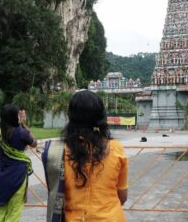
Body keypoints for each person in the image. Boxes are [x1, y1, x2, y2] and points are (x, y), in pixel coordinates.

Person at [42, 90, 128, 222]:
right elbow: (122, 196)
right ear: (101, 117)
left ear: (71, 116)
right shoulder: (116, 148)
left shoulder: (58, 152)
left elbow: (56, 193)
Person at [0, 104, 37, 222]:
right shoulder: (21, 133)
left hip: (1, 174)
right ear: (14, 117)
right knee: (14, 210)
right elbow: (34, 143)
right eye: (18, 114)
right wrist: (23, 123)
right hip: (18, 175)